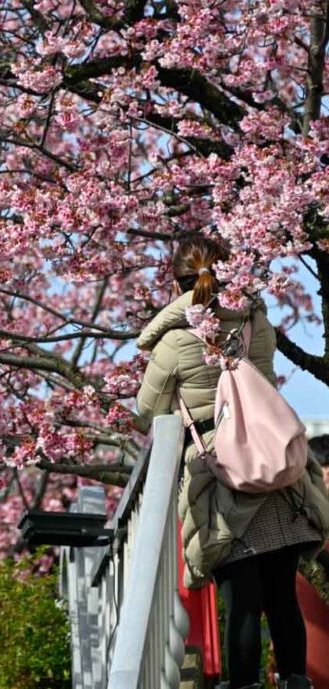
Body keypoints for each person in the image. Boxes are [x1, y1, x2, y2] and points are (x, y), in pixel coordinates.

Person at [135, 234, 329, 689]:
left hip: (223, 480)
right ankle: (296, 681)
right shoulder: (254, 323)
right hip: (277, 474)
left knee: (242, 600)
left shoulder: (175, 341)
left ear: (177, 282)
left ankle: (243, 685)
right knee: (282, 595)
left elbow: (150, 409)